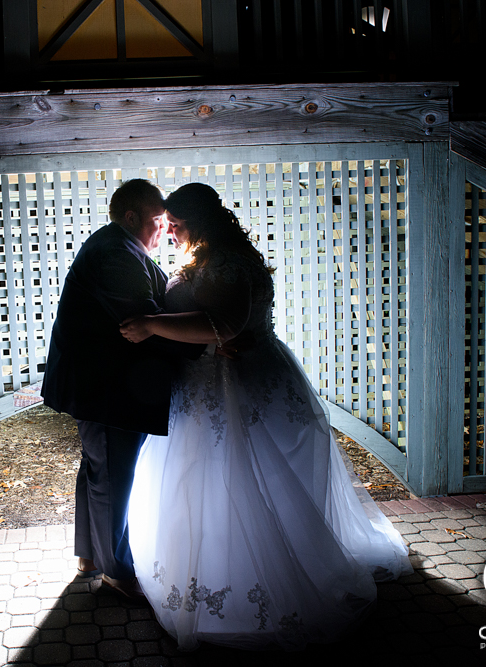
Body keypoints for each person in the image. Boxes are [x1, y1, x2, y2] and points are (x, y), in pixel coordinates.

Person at [119, 182, 412, 651]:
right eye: (167, 225)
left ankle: (265, 581)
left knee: (242, 482)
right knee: (205, 485)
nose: (170, 232)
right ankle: (214, 571)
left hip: (235, 386)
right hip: (209, 385)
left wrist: (153, 325)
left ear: (201, 221)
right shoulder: (210, 257)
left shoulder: (229, 263)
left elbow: (225, 326)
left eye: (176, 224)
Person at [41, 179, 204, 598]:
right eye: (156, 220)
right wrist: (207, 341)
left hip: (102, 383)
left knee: (99, 470)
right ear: (131, 217)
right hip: (105, 386)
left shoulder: (121, 247)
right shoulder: (116, 254)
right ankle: (116, 570)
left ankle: (90, 557)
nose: (163, 230)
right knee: (112, 475)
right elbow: (142, 320)